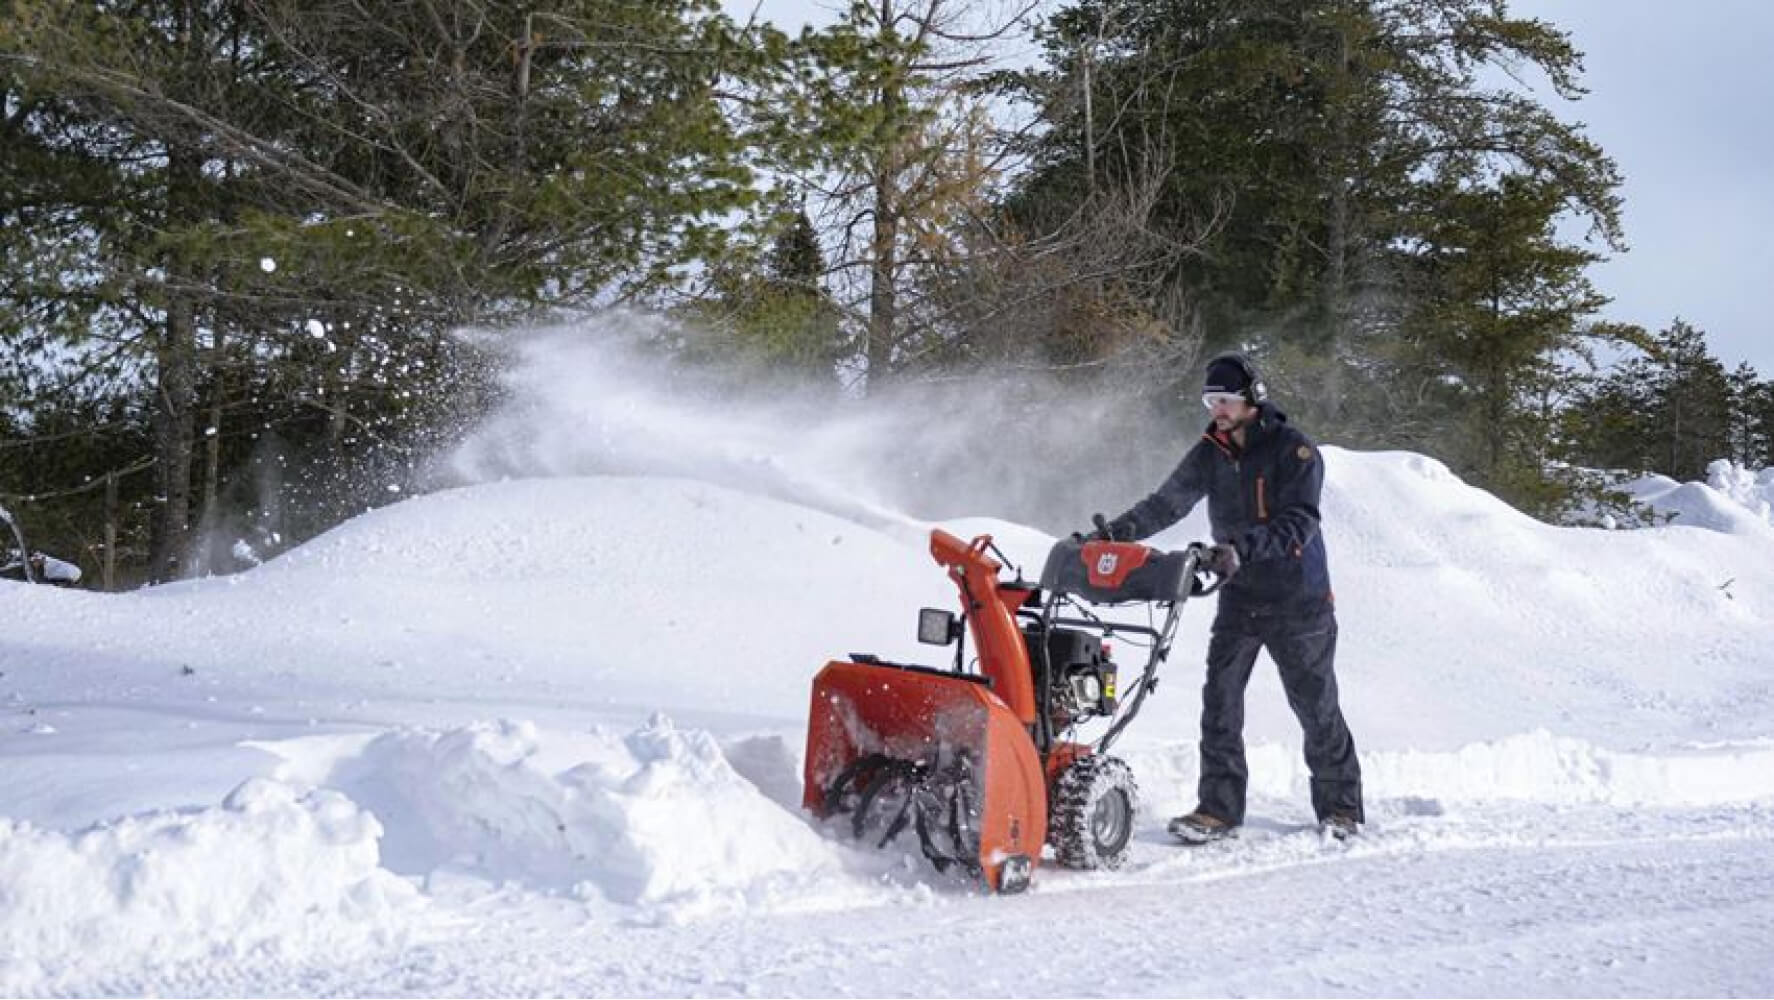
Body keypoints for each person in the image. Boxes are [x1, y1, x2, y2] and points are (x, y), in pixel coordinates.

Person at [1084, 352, 1364, 841]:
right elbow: (1167, 502)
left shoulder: (1293, 450)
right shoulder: (1211, 451)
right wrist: (1119, 533)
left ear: (1252, 399)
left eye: (1227, 400)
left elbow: (1299, 523)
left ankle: (1340, 807)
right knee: (1220, 701)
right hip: (1240, 597)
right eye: (1211, 400)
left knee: (1315, 705)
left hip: (1299, 600)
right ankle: (1218, 809)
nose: (1218, 410)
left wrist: (1239, 548)